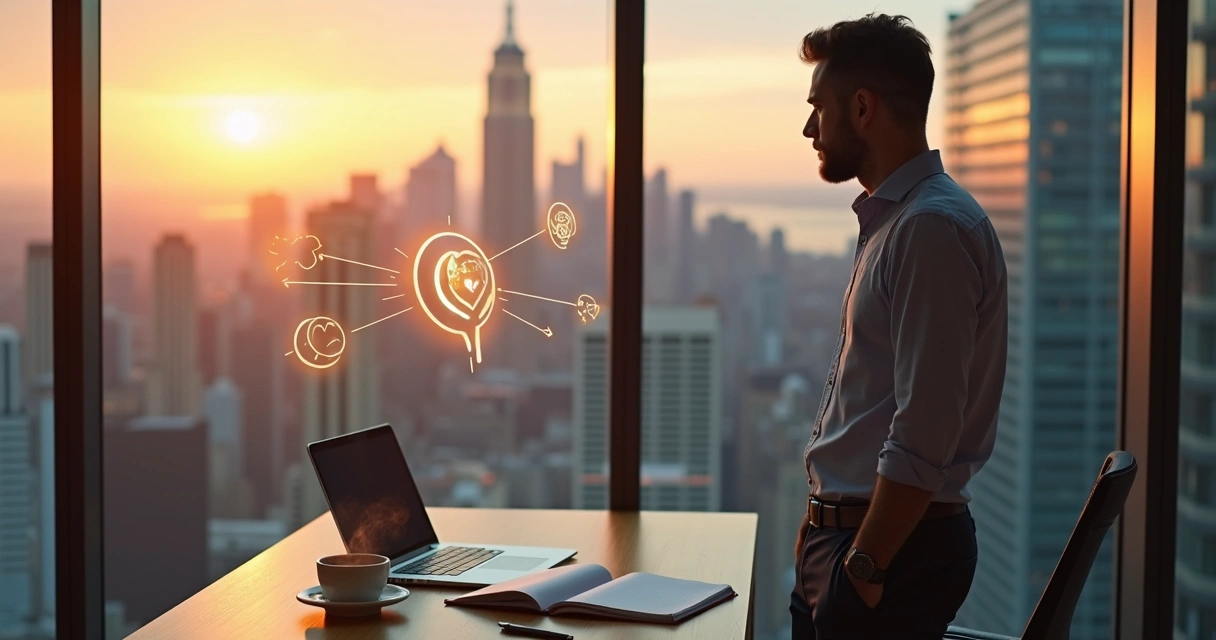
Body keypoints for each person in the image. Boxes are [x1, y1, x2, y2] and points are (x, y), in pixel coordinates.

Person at [790, 13, 1008, 639]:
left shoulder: (928, 230)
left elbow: (926, 425)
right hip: (853, 546)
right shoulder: (898, 222)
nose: (809, 128)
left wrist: (864, 565)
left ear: (863, 108)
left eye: (818, 108)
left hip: (887, 553)